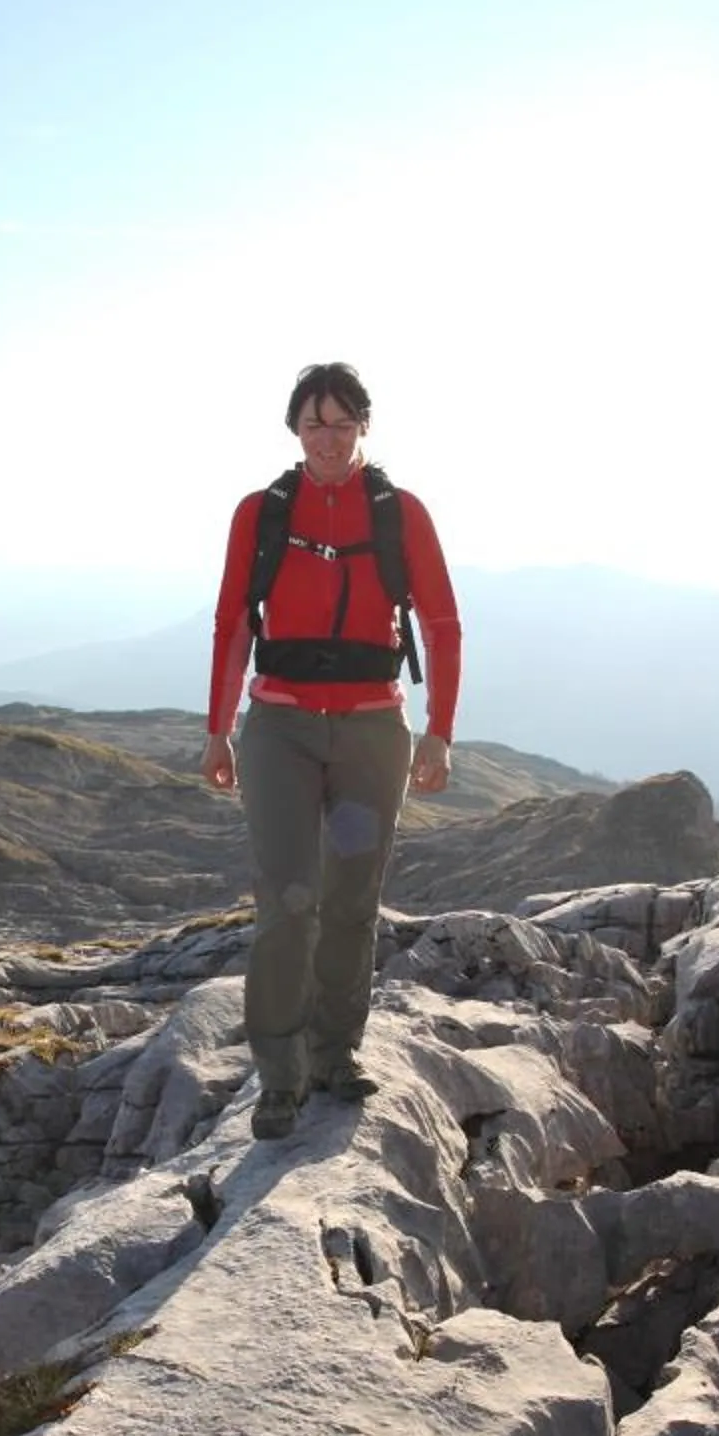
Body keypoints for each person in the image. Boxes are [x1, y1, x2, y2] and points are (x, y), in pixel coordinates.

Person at [203, 361, 464, 1140]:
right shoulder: (261, 512)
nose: (328, 436)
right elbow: (231, 624)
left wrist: (441, 729)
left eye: (342, 421)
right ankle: (278, 1078)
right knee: (288, 900)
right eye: (314, 422)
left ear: (364, 428)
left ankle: (335, 1056)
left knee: (352, 902)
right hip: (278, 728)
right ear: (295, 429)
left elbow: (444, 625)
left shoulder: (399, 513)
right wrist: (218, 726)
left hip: (370, 734)